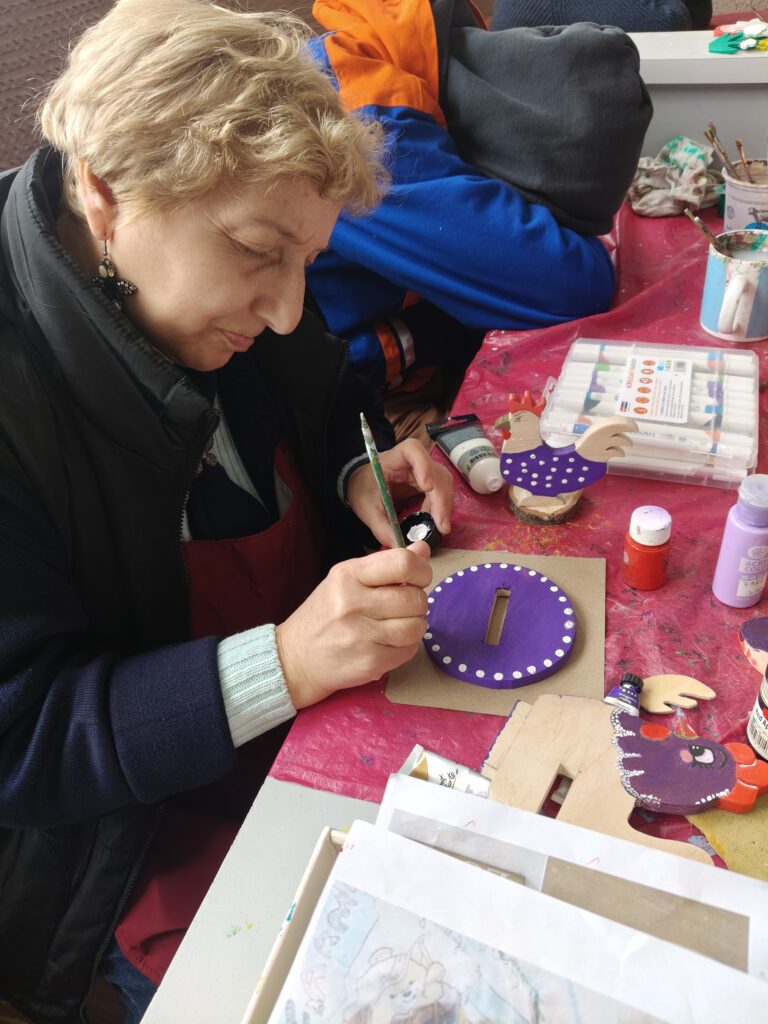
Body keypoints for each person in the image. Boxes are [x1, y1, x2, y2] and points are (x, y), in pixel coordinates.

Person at [0, 1, 453, 1021]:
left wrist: (355, 464)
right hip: (122, 842)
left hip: (307, 726)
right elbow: (23, 740)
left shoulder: (246, 273)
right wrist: (283, 665)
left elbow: (328, 390)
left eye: (307, 262)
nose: (288, 309)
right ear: (105, 190)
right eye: (258, 252)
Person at [303, 0, 652, 429]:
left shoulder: (428, 63)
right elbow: (576, 284)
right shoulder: (370, 136)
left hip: (388, 363)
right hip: (331, 404)